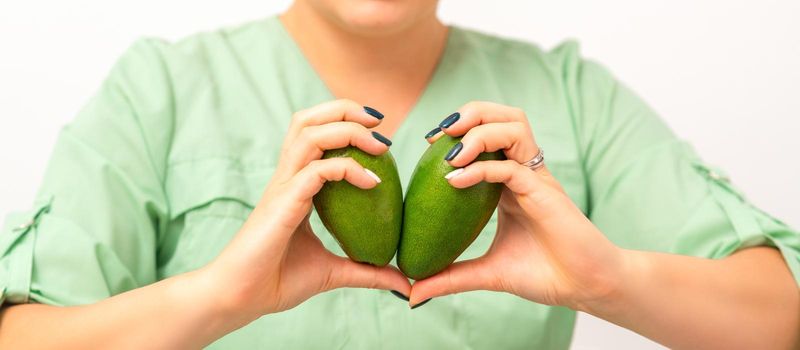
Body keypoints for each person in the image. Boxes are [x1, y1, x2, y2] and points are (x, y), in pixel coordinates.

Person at [1, 1, 798, 349]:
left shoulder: (571, 95)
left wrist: (608, 279)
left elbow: (777, 321)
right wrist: (219, 297)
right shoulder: (162, 88)